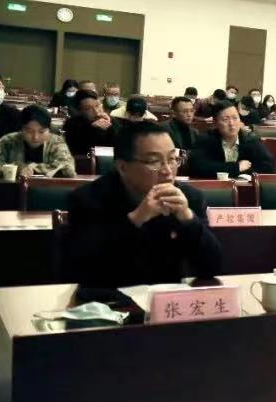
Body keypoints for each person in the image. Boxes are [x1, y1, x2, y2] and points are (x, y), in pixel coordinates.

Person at [61, 121, 222, 288]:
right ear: (122, 167)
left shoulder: (189, 198)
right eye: (154, 161)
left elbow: (212, 268)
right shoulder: (88, 199)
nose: (167, 170)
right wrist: (136, 219)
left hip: (167, 298)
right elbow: (83, 271)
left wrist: (188, 219)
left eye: (172, 159)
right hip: (112, 299)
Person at [0, 105, 76, 178]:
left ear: (49, 130)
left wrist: (31, 168)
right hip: (12, 191)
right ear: (21, 129)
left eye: (41, 132)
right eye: (29, 131)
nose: (35, 137)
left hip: (46, 191)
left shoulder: (56, 142)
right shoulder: (10, 140)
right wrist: (14, 169)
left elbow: (67, 168)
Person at [189, 101, 275, 178]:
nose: (231, 123)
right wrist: (236, 167)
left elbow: (268, 167)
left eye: (235, 118)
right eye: (225, 119)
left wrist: (240, 174)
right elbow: (196, 167)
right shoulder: (205, 140)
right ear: (215, 123)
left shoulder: (251, 140)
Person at [64, 90, 119, 155]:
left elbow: (119, 148)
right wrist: (91, 128)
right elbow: (76, 149)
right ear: (80, 111)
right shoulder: (72, 124)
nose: (96, 111)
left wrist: (110, 127)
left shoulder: (112, 121)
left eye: (97, 105)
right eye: (88, 109)